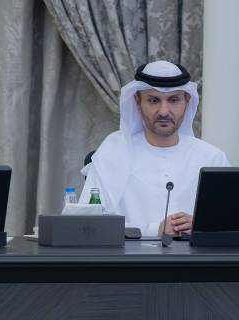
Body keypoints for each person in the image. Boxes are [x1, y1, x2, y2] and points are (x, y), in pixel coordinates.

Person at [80, 60, 229, 236]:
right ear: (137, 101)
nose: (164, 111)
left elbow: (234, 222)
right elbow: (86, 225)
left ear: (187, 101)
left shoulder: (212, 158)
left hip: (196, 254)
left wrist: (203, 226)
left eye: (174, 100)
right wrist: (153, 230)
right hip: (131, 254)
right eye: (153, 100)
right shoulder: (111, 154)